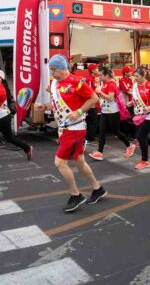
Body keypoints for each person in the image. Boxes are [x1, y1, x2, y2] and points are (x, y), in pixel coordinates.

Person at [47, 55, 107, 212]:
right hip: (66, 128)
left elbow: (94, 98)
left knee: (60, 163)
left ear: (62, 68)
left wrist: (79, 111)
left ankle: (76, 194)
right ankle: (97, 188)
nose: (52, 73)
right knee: (80, 162)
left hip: (74, 129)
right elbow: (59, 104)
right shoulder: (56, 83)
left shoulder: (76, 82)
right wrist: (44, 105)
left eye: (53, 70)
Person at [88, 67, 135, 161]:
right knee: (101, 131)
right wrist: (98, 86)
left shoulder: (111, 83)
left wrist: (100, 92)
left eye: (101, 75)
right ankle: (100, 152)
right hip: (105, 110)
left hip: (113, 111)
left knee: (116, 131)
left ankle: (130, 145)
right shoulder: (104, 83)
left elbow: (110, 97)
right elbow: (99, 93)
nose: (99, 77)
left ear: (106, 75)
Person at [130, 67, 150, 170]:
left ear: (143, 75)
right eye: (134, 76)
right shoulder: (135, 86)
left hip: (149, 115)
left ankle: (145, 160)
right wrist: (130, 103)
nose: (135, 78)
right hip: (139, 115)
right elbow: (135, 99)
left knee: (140, 136)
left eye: (137, 76)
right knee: (141, 136)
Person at [0, 70, 32, 160]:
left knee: (9, 138)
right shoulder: (3, 87)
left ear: (2, 79)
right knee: (9, 138)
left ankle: (27, 148)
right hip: (4, 116)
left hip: (3, 117)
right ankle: (27, 148)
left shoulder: (1, 90)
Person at [84, 63, 100, 143]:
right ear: (93, 70)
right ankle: (89, 137)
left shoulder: (93, 79)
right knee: (93, 120)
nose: (98, 70)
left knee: (93, 120)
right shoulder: (90, 79)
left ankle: (89, 136)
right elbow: (89, 92)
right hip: (91, 104)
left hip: (94, 103)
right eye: (97, 68)